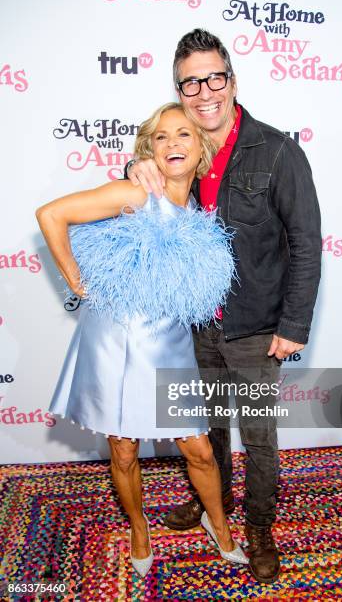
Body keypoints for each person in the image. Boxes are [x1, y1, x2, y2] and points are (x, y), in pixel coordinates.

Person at [126, 29, 322, 584]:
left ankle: (259, 526)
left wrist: (294, 325)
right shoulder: (180, 143)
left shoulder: (277, 150)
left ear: (232, 80)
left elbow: (306, 242)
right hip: (192, 324)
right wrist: (132, 171)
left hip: (258, 328)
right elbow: (149, 178)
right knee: (205, 429)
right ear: (180, 89)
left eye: (215, 77)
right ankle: (216, 506)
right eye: (191, 81)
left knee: (257, 437)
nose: (204, 90)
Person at [36, 103, 248, 578]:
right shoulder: (135, 192)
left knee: (198, 449)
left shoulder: (199, 210)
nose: (173, 144)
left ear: (202, 150)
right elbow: (51, 214)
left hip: (168, 344)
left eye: (184, 135)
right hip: (117, 341)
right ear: (150, 149)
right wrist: (73, 275)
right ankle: (138, 529)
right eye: (162, 137)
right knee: (124, 449)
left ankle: (220, 527)